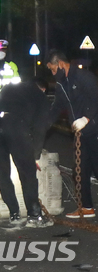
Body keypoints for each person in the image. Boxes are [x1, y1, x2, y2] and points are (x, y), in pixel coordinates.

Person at [0, 78, 53, 227]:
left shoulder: (10, 87)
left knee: (2, 171)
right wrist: (35, 155)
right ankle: (34, 216)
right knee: (27, 172)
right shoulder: (40, 96)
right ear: (43, 89)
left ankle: (14, 214)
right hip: (14, 124)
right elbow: (40, 128)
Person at [47, 50, 98, 219]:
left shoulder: (84, 77)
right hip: (80, 134)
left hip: (94, 129)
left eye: (53, 69)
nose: (53, 74)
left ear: (61, 64)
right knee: (80, 171)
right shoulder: (62, 84)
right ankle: (87, 207)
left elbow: (95, 98)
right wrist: (43, 124)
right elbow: (56, 107)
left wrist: (86, 118)